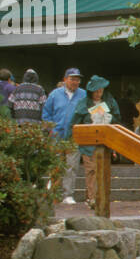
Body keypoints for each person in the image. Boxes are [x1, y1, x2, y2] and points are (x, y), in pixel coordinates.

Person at [73, 75, 121, 205]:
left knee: (102, 170)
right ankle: (92, 197)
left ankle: (95, 196)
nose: (99, 94)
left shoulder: (110, 102)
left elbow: (117, 119)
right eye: (96, 91)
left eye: (101, 91)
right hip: (88, 142)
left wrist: (110, 119)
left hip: (105, 142)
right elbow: (76, 122)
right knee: (91, 169)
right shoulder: (83, 103)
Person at [42, 67, 86, 204]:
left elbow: (88, 114)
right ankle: (54, 194)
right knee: (56, 165)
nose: (75, 82)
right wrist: (50, 129)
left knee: (71, 166)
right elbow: (46, 113)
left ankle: (68, 194)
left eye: (77, 79)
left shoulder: (84, 95)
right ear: (65, 79)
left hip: (74, 136)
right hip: (56, 135)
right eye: (72, 79)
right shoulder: (55, 94)